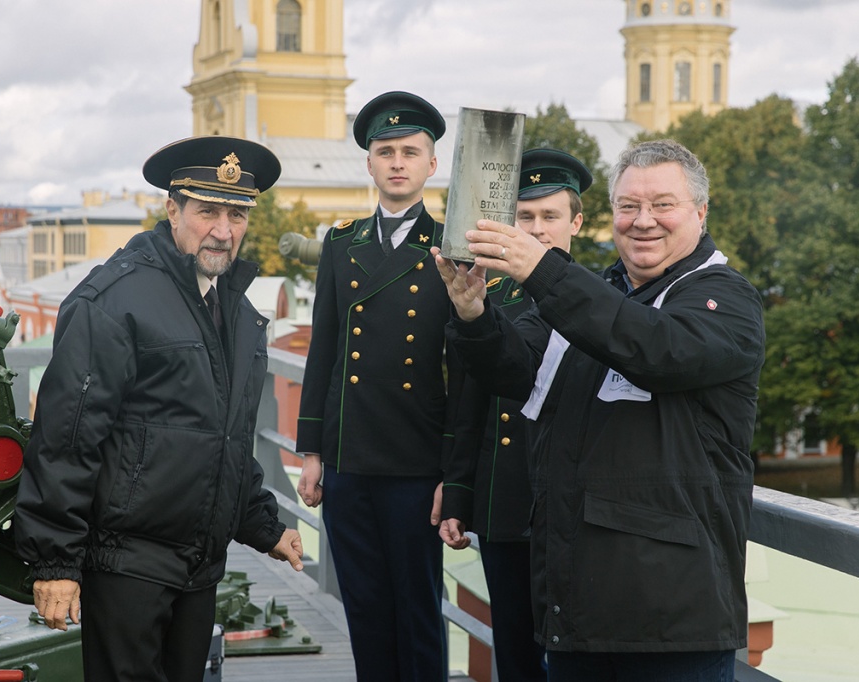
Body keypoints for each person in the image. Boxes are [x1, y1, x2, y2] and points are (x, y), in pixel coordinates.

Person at [434, 139, 765, 681]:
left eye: (663, 205)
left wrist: (543, 272)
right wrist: (473, 316)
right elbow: (516, 370)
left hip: (669, 622)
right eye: (629, 206)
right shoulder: (599, 292)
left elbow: (653, 349)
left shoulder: (724, 299)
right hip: (577, 613)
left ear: (700, 212)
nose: (643, 221)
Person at [14, 136, 305, 682]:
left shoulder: (234, 310)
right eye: (208, 211)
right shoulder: (115, 300)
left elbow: (225, 435)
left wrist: (262, 523)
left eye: (237, 213)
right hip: (128, 563)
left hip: (199, 565)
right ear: (173, 210)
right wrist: (55, 561)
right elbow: (68, 436)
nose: (224, 229)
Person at [295, 90, 465, 681]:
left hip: (417, 458)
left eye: (410, 151)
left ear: (430, 165)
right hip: (349, 456)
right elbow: (325, 346)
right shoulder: (342, 242)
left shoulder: (452, 245)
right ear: (368, 163)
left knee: (418, 610)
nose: (397, 162)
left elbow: (464, 370)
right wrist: (312, 452)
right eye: (385, 150)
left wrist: (454, 470)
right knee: (364, 605)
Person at [438, 148, 593, 682]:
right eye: (525, 217)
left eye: (550, 216)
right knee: (515, 653)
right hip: (505, 499)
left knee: (574, 656)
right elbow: (468, 404)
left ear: (576, 222)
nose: (537, 229)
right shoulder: (484, 295)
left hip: (574, 510)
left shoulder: (599, 298)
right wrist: (458, 492)